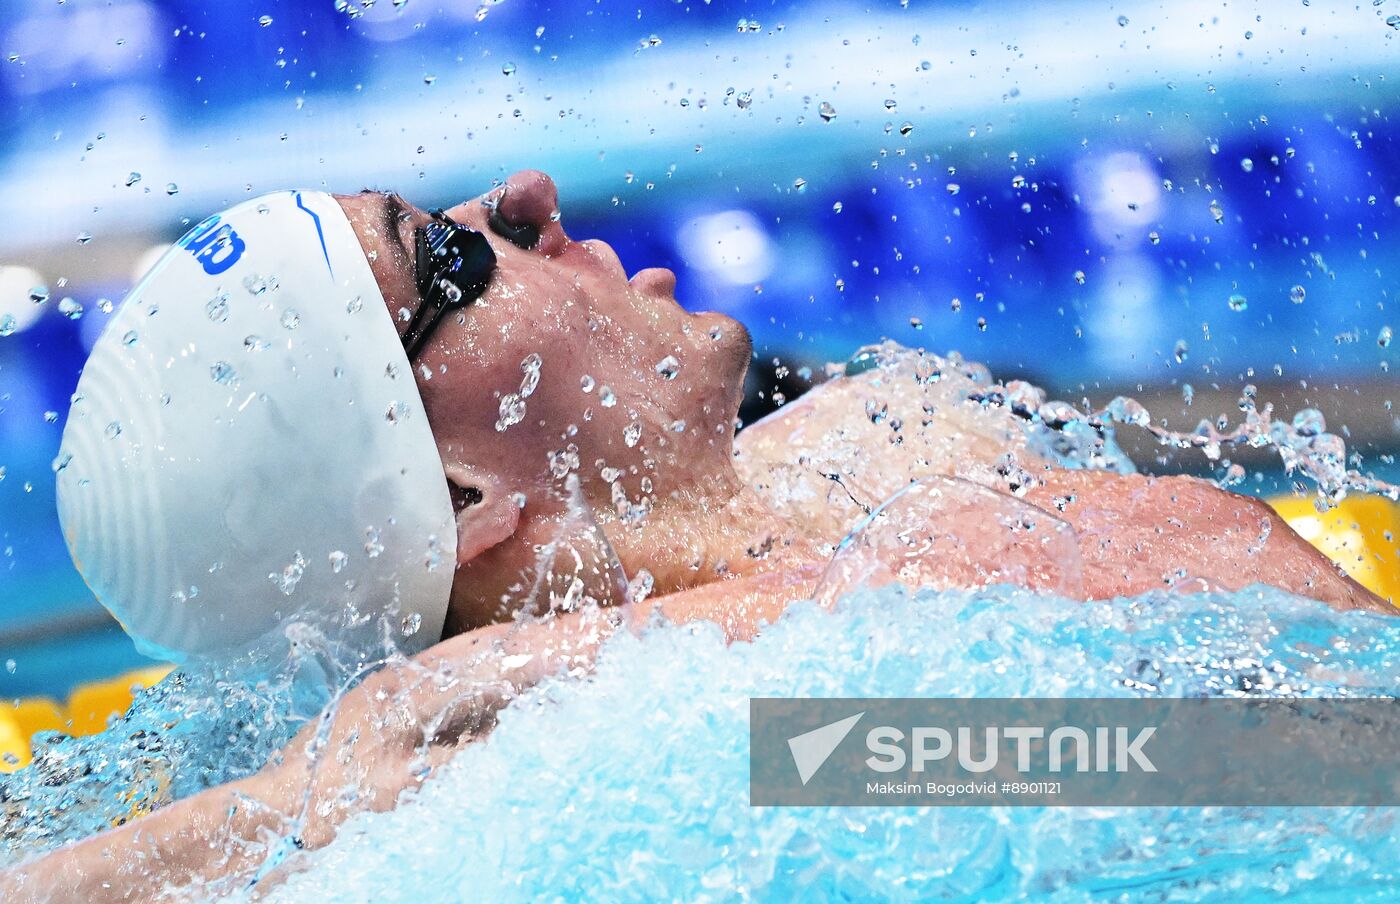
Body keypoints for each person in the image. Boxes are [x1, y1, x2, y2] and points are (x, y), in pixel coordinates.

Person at [3, 170, 1387, 902]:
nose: (523, 196)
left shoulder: (880, 430)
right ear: (462, 505)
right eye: (452, 257)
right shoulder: (549, 712)